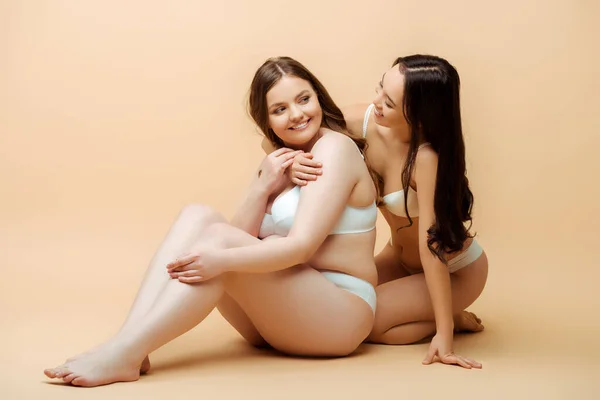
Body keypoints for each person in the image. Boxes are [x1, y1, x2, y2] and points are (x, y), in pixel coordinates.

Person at [43, 56, 380, 387]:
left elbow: (300, 247)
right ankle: (129, 345)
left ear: (318, 96)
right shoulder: (282, 155)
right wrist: (262, 185)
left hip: (339, 316)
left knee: (218, 241)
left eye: (304, 99)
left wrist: (219, 260)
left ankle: (124, 352)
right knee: (198, 215)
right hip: (282, 317)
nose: (296, 115)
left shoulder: (334, 148)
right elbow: (241, 235)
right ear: (266, 119)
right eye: (279, 109)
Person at [274, 54, 488, 369]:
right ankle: (438, 313)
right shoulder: (363, 121)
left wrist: (444, 334)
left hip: (455, 270)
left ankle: (451, 319)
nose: (376, 102)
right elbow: (287, 135)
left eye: (388, 102)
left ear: (418, 115)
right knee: (340, 302)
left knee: (366, 323)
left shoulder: (426, 158)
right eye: (380, 88)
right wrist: (292, 165)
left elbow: (433, 246)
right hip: (398, 259)